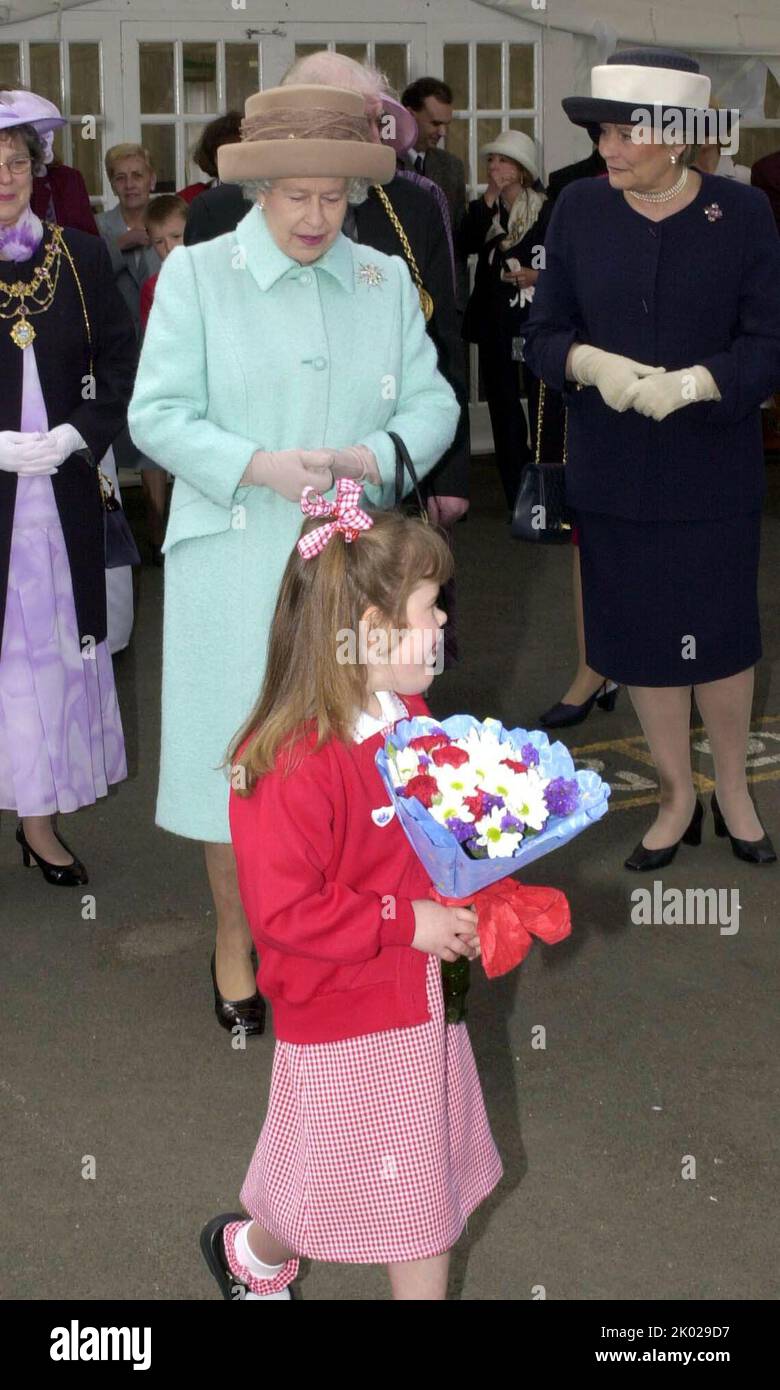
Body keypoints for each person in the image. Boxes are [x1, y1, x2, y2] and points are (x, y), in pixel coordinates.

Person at [128, 84, 459, 1033]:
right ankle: (236, 942)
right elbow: (155, 415)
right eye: (296, 196)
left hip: (357, 575)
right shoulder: (196, 276)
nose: (317, 217)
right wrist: (253, 466)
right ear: (259, 188)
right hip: (235, 566)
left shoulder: (383, 279)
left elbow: (432, 408)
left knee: (353, 769)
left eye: (335, 198)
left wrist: (374, 458)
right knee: (242, 768)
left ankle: (345, 937)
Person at [200, 497, 502, 1302]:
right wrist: (412, 923)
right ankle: (257, 1253)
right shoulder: (288, 761)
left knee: (413, 1195)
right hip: (343, 1010)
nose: (443, 623)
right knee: (334, 1180)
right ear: (372, 630)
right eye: (430, 608)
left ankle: (254, 1257)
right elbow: (286, 913)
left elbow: (432, 830)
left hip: (417, 994)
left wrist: (480, 876)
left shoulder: (409, 715)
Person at [523, 48, 780, 870]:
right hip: (613, 470)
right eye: (602, 131)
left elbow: (770, 342)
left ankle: (733, 787)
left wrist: (707, 381)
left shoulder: (743, 215)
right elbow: (540, 336)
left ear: (677, 138)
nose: (608, 148)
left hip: (712, 470)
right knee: (642, 643)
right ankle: (674, 795)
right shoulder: (577, 212)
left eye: (624, 131)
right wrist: (587, 364)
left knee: (721, 640)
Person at [0, 92, 136, 883]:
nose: (6, 178)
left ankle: (38, 821)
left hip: (60, 506)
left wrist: (77, 434)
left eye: (17, 164)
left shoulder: (78, 257)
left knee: (43, 661)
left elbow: (122, 365)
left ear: (37, 170)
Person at [461, 130, 551, 511]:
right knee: (503, 406)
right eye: (491, 161)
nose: (495, 167)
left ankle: (546, 489)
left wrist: (536, 274)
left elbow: (557, 255)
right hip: (496, 321)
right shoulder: (484, 210)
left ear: (522, 169)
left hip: (535, 319)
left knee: (542, 402)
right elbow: (464, 243)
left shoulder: (546, 208)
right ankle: (515, 490)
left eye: (503, 161)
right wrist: (488, 201)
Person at [135, 195, 187, 560]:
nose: (169, 248)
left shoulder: (215, 274)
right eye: (159, 241)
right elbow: (154, 344)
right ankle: (163, 533)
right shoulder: (153, 286)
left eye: (177, 237)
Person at [401, 77, 468, 313]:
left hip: (445, 302)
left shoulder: (452, 167)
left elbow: (459, 238)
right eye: (436, 123)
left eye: (446, 124)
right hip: (399, 297)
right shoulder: (383, 164)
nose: (443, 132)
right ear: (409, 115)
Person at [177, 110, 242, 205]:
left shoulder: (265, 197)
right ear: (212, 157)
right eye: (224, 154)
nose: (234, 160)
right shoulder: (189, 198)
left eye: (241, 152)